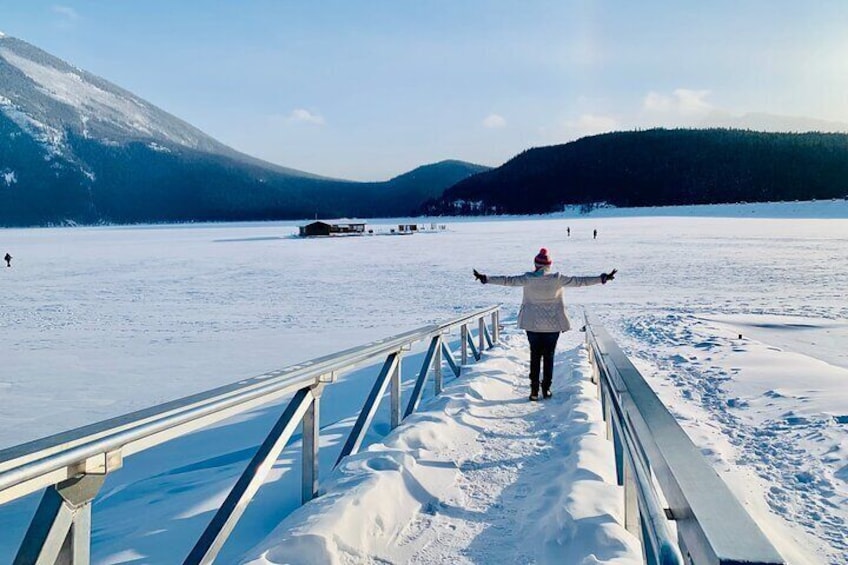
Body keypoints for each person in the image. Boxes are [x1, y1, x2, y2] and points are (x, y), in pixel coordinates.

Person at [473, 248, 616, 401]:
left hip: (532, 325)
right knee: (549, 356)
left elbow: (507, 280)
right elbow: (580, 281)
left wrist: (486, 278)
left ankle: (534, 390)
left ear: (536, 264)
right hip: (553, 326)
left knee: (535, 356)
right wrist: (602, 278)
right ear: (549, 265)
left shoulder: (528, 278)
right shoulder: (557, 279)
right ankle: (546, 389)